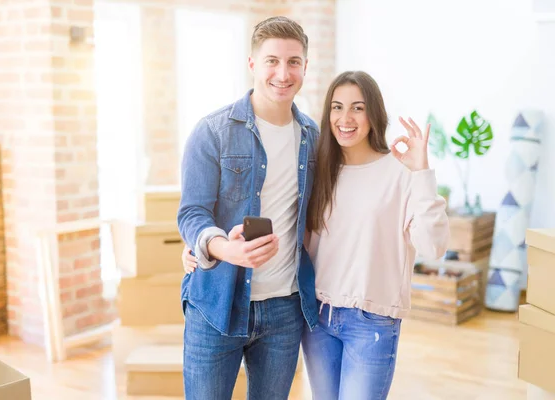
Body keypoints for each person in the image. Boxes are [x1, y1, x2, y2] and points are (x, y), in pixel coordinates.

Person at [183, 70, 449, 400]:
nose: (345, 118)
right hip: (318, 317)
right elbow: (293, 231)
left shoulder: (400, 173)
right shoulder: (318, 167)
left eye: (357, 107)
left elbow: (434, 246)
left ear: (374, 113)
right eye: (337, 107)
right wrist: (207, 245)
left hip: (372, 322)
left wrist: (422, 172)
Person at [177, 16, 320, 400]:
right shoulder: (213, 131)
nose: (283, 73)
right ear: (253, 64)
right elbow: (191, 213)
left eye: (293, 62)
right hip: (216, 304)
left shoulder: (313, 138)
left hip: (284, 311)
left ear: (305, 66)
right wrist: (225, 249)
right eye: (272, 60)